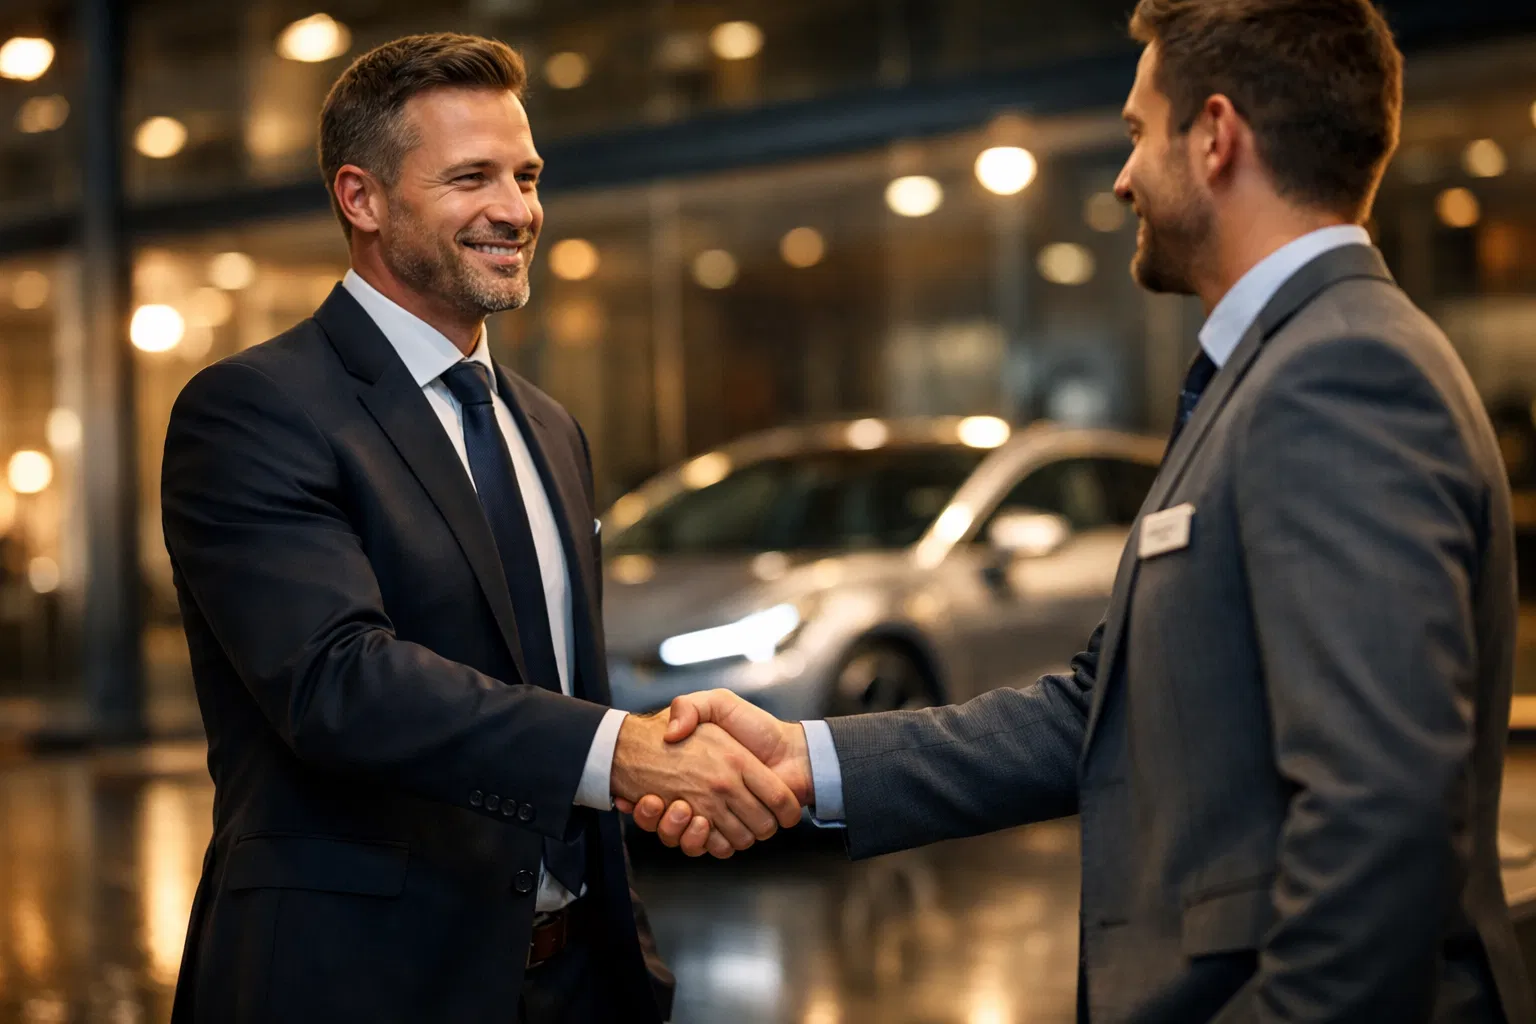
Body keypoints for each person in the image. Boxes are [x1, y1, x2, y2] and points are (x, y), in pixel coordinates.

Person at [625, 1, 1536, 1020]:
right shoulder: (1282, 367)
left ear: (1218, 136)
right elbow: (1097, 708)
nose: (1121, 176)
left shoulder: (1339, 374)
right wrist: (808, 759)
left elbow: (1381, 818)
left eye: (1138, 132)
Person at [161, 33, 797, 1024]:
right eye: (472, 178)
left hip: (575, 981)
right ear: (361, 198)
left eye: (527, 174)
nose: (518, 209)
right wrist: (617, 750)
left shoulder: (546, 424)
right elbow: (337, 682)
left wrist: (627, 925)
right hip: (355, 987)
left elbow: (557, 692)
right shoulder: (253, 408)